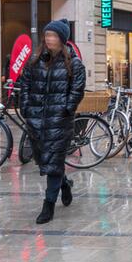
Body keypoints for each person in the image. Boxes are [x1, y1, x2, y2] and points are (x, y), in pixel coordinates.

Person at [16, 19, 86, 224]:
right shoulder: (35, 60)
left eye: (53, 36)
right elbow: (25, 83)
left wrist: (67, 108)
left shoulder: (73, 63)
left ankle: (48, 205)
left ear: (62, 39)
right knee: (44, 160)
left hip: (60, 120)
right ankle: (64, 184)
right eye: (47, 35)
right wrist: (26, 107)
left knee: (54, 161)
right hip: (36, 118)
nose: (49, 39)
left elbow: (78, 89)